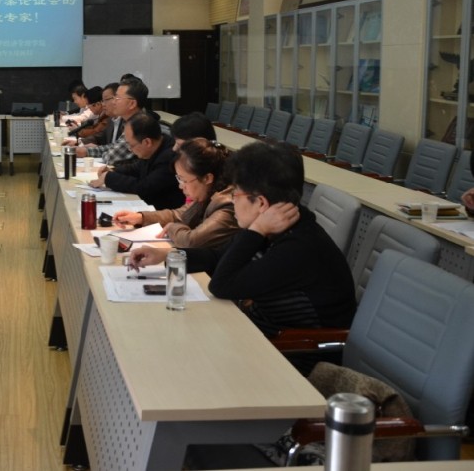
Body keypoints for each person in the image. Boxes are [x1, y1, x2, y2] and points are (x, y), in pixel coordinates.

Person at [129, 141, 357, 347]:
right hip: (258, 332)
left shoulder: (297, 246)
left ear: (261, 203)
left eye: (235, 195)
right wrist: (168, 256)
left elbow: (221, 284)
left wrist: (256, 230)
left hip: (293, 352)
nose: (232, 201)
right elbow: (218, 257)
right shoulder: (276, 227)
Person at [115, 138, 237, 250]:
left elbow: (191, 241)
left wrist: (172, 227)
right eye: (179, 179)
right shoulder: (209, 191)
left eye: (184, 180)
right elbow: (179, 215)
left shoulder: (228, 205)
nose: (180, 186)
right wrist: (140, 217)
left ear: (207, 178)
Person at [88, 112, 185, 209]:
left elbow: (145, 187)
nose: (130, 149)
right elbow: (137, 167)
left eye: (131, 145)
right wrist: (113, 170)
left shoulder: (169, 157)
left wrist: (109, 178)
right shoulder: (156, 144)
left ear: (147, 142)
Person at [75, 77, 149, 166]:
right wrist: (89, 150)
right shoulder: (129, 121)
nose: (114, 102)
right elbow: (114, 146)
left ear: (132, 104)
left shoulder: (140, 124)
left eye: (117, 98)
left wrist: (89, 151)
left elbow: (111, 157)